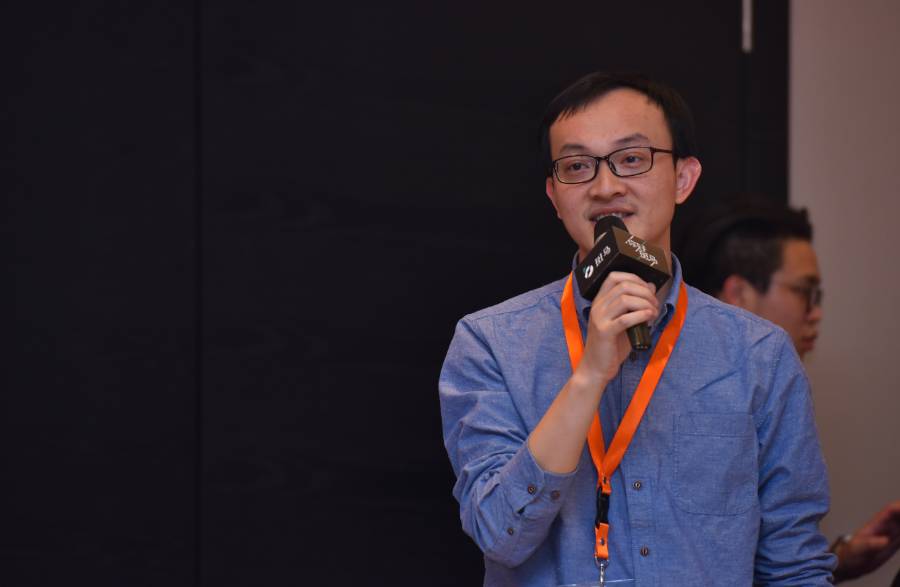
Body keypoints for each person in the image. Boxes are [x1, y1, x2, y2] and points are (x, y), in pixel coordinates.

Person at [439, 72, 835, 586]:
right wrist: (589, 377)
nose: (606, 187)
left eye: (631, 159)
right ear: (554, 196)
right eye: (577, 166)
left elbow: (794, 565)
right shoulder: (490, 343)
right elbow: (500, 534)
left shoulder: (758, 354)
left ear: (684, 178)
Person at [677, 200, 900, 584]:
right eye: (804, 292)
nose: (816, 313)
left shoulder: (779, 395)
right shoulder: (678, 402)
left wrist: (839, 560)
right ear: (738, 294)